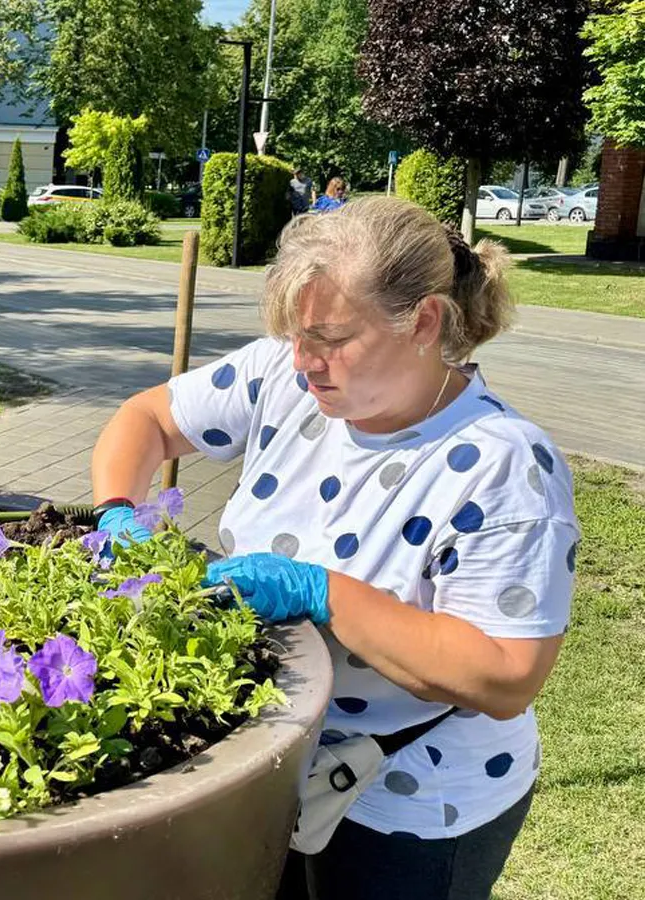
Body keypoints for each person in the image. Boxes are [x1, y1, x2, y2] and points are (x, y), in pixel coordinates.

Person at [88, 196, 575, 900]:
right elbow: (147, 418)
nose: (304, 361)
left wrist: (320, 591)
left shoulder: (504, 466)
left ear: (425, 321)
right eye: (294, 335)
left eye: (331, 338)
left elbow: (505, 676)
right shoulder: (283, 378)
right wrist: (116, 512)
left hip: (413, 798)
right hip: (282, 760)